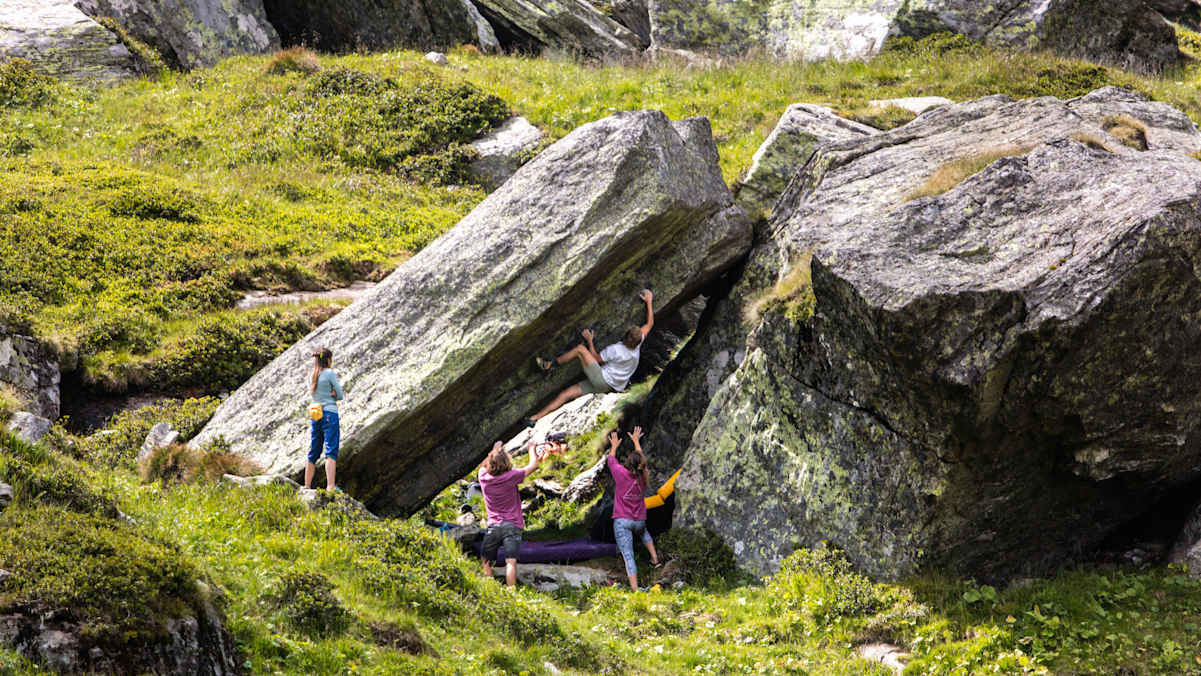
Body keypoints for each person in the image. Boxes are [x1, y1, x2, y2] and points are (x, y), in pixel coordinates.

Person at [526, 290, 654, 427]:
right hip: (609, 386)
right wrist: (649, 302)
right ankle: (534, 419)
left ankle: (549, 366)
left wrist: (590, 340)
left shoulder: (616, 350)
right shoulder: (637, 343)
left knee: (580, 350)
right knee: (567, 394)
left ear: (625, 336)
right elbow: (649, 324)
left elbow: (595, 358)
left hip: (602, 379)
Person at [479, 440, 548, 587]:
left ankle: (491, 589)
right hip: (512, 525)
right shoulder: (511, 476)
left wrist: (494, 450)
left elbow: (482, 466)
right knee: (510, 562)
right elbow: (533, 466)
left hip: (494, 526)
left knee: (486, 561)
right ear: (506, 463)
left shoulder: (484, 478)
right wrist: (531, 449)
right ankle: (512, 592)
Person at [607, 426, 661, 590]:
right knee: (644, 533)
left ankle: (635, 589)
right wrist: (637, 442)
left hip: (623, 521)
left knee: (628, 555)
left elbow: (611, 460)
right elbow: (642, 462)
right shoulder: (643, 476)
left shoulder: (620, 474)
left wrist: (614, 446)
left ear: (628, 464)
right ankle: (655, 559)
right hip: (639, 521)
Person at [306, 347, 344, 491]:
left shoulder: (311, 376)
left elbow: (315, 395)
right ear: (328, 359)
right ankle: (330, 486)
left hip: (316, 414)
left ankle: (307, 486)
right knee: (331, 450)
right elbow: (340, 395)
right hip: (329, 413)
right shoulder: (329, 373)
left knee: (314, 450)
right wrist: (333, 394)